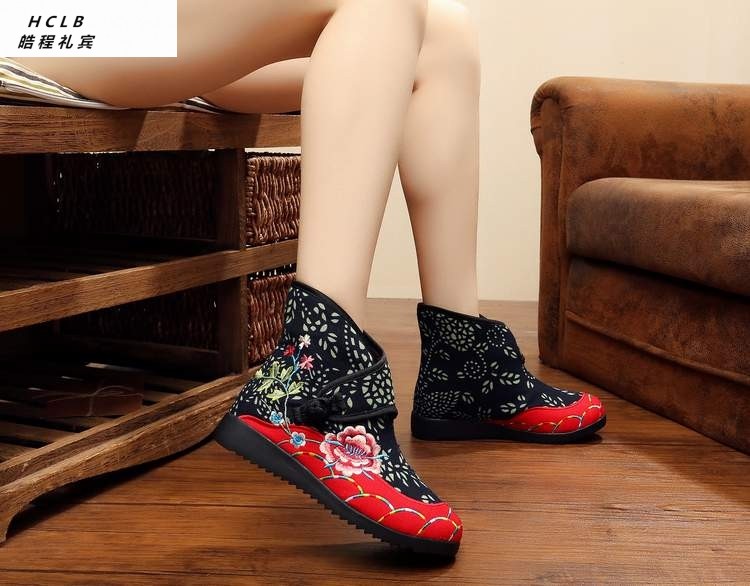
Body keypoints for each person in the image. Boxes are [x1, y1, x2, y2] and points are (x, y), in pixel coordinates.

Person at [14, 0, 606, 556]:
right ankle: (316, 375)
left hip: (153, 23)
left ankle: (461, 365)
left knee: (446, 34)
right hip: (44, 23)